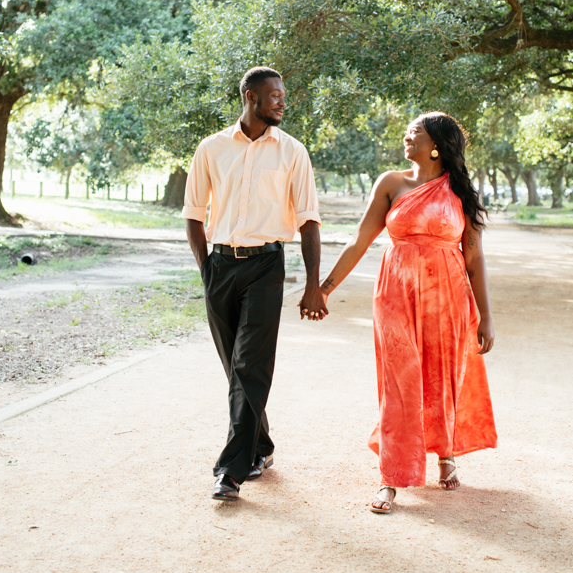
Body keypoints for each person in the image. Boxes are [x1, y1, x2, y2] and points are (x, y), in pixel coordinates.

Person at [300, 111, 497, 513]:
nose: (407, 137)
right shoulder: (391, 183)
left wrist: (486, 316)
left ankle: (444, 453)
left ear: (437, 146)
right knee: (398, 381)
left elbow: (474, 259)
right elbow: (360, 241)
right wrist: (323, 289)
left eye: (416, 133)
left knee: (441, 377)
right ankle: (391, 476)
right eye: (408, 132)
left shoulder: (459, 191)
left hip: (447, 297)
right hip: (395, 293)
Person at [183, 66, 327, 501]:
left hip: (267, 267)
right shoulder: (211, 148)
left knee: (250, 366)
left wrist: (313, 285)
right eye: (274, 96)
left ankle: (231, 470)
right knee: (235, 367)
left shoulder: (293, 152)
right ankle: (260, 445)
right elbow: (193, 212)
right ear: (250, 96)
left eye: (283, 95)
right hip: (220, 266)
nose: (282, 102)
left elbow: (309, 221)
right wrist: (205, 268)